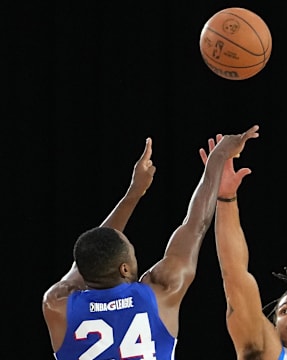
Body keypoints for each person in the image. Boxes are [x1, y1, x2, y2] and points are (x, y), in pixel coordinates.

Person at [42, 125, 260, 360]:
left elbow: (86, 256)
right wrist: (218, 156)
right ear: (124, 268)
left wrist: (133, 193)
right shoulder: (161, 293)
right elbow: (195, 225)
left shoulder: (56, 305)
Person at [199, 132, 287, 360]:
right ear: (272, 327)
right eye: (284, 312)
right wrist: (225, 199)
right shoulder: (266, 350)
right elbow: (234, 274)